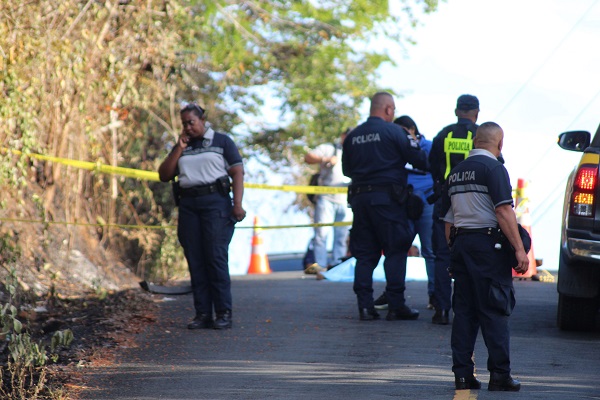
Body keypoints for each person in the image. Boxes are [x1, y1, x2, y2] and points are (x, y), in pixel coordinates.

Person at [442, 121, 528, 391]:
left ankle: (463, 375)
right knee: (494, 309)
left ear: (474, 141)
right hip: (487, 247)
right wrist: (519, 249)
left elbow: (448, 219)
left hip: (462, 245)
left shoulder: (456, 172)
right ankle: (500, 375)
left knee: (465, 312)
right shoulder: (494, 168)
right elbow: (503, 211)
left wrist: (454, 249)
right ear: (499, 144)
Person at [158, 102, 246, 330]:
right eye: (184, 123)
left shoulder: (221, 141)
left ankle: (223, 312)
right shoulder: (182, 145)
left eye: (192, 122)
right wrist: (179, 148)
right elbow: (164, 174)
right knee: (195, 259)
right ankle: (203, 313)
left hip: (215, 203)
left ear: (202, 120)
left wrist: (238, 204)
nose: (188, 127)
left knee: (215, 257)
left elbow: (237, 172)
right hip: (189, 205)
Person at [342, 92, 429, 321]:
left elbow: (346, 171)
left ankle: (364, 306)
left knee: (365, 254)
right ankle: (396, 305)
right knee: (396, 249)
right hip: (388, 201)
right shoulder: (395, 132)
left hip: (360, 201)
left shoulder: (353, 136)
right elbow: (419, 159)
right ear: (389, 109)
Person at [373, 116, 436, 311]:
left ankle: (435, 296)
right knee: (396, 249)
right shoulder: (393, 149)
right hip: (402, 203)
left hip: (426, 201)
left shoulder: (430, 146)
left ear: (412, 130)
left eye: (401, 133)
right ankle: (393, 294)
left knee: (430, 251)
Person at [428, 94, 480, 325]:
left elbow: (431, 163)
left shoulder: (444, 134)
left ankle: (441, 310)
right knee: (471, 255)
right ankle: (466, 310)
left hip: (445, 199)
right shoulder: (481, 136)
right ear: (476, 113)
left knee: (442, 256)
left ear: (456, 111)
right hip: (473, 204)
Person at [304, 128, 351, 273]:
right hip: (326, 197)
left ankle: (338, 267)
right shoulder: (329, 149)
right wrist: (325, 160)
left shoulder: (356, 151)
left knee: (342, 236)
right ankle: (321, 266)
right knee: (322, 233)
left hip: (345, 199)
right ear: (342, 136)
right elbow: (308, 157)